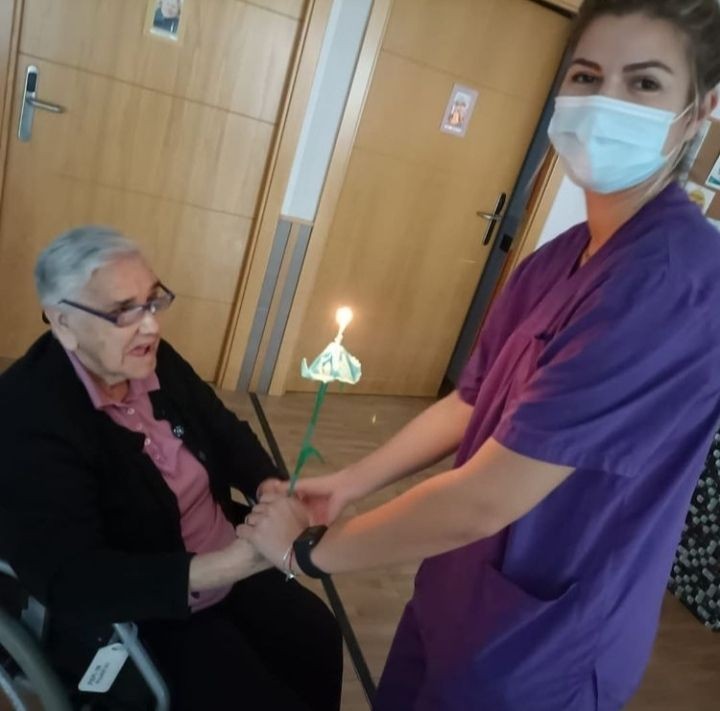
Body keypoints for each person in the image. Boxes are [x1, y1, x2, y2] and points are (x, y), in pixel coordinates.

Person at [238, 1, 720, 709]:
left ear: (699, 110)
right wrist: (349, 483)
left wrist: (309, 554)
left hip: (544, 640)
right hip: (459, 589)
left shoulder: (672, 283)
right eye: (587, 76)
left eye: (644, 83)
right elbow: (472, 400)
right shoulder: (559, 257)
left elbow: (485, 498)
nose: (604, 104)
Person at [0, 227, 342, 710]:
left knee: (318, 636)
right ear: (63, 322)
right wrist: (237, 561)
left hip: (224, 554)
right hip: (145, 610)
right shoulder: (27, 415)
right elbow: (74, 579)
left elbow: (224, 431)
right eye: (124, 311)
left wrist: (270, 488)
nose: (151, 326)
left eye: (152, 301)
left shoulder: (151, 360)